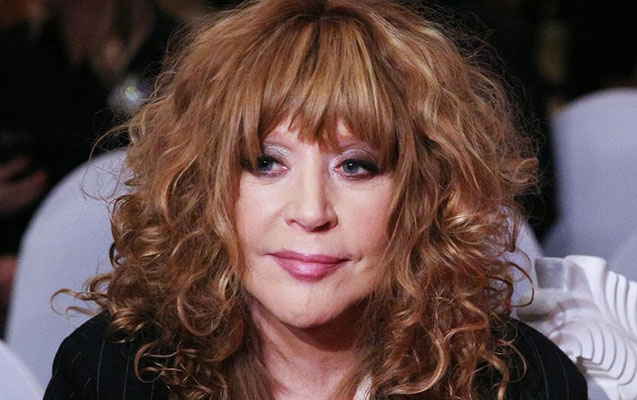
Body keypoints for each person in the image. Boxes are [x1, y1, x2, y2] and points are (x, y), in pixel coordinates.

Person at [44, 0, 587, 398]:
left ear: (426, 195)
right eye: (266, 163)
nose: (310, 212)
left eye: (355, 166)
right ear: (202, 185)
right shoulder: (111, 374)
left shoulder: (523, 384)